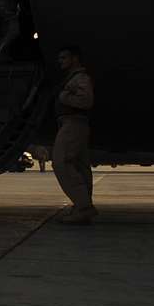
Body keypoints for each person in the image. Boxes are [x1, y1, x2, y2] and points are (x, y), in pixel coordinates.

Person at [52, 45, 97, 225]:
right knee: (79, 165)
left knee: (61, 162)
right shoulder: (74, 78)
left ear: (75, 59)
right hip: (73, 123)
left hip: (74, 123)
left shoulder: (80, 78)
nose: (60, 61)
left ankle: (84, 206)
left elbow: (86, 101)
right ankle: (82, 207)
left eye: (64, 58)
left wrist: (64, 97)